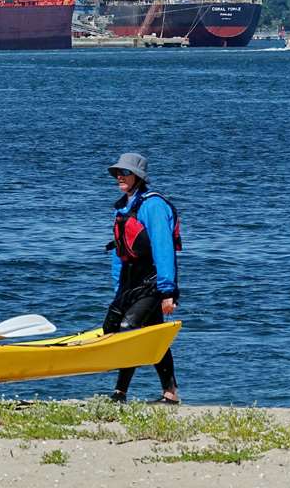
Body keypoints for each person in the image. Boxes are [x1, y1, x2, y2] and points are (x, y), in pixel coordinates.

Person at [104, 152, 181, 404]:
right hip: (129, 283)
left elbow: (163, 248)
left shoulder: (154, 205)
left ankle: (119, 393)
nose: (119, 177)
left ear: (138, 177)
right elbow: (120, 253)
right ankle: (170, 393)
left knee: (129, 330)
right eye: (117, 173)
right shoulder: (124, 207)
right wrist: (118, 290)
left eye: (124, 173)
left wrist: (168, 291)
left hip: (151, 281)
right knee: (117, 328)